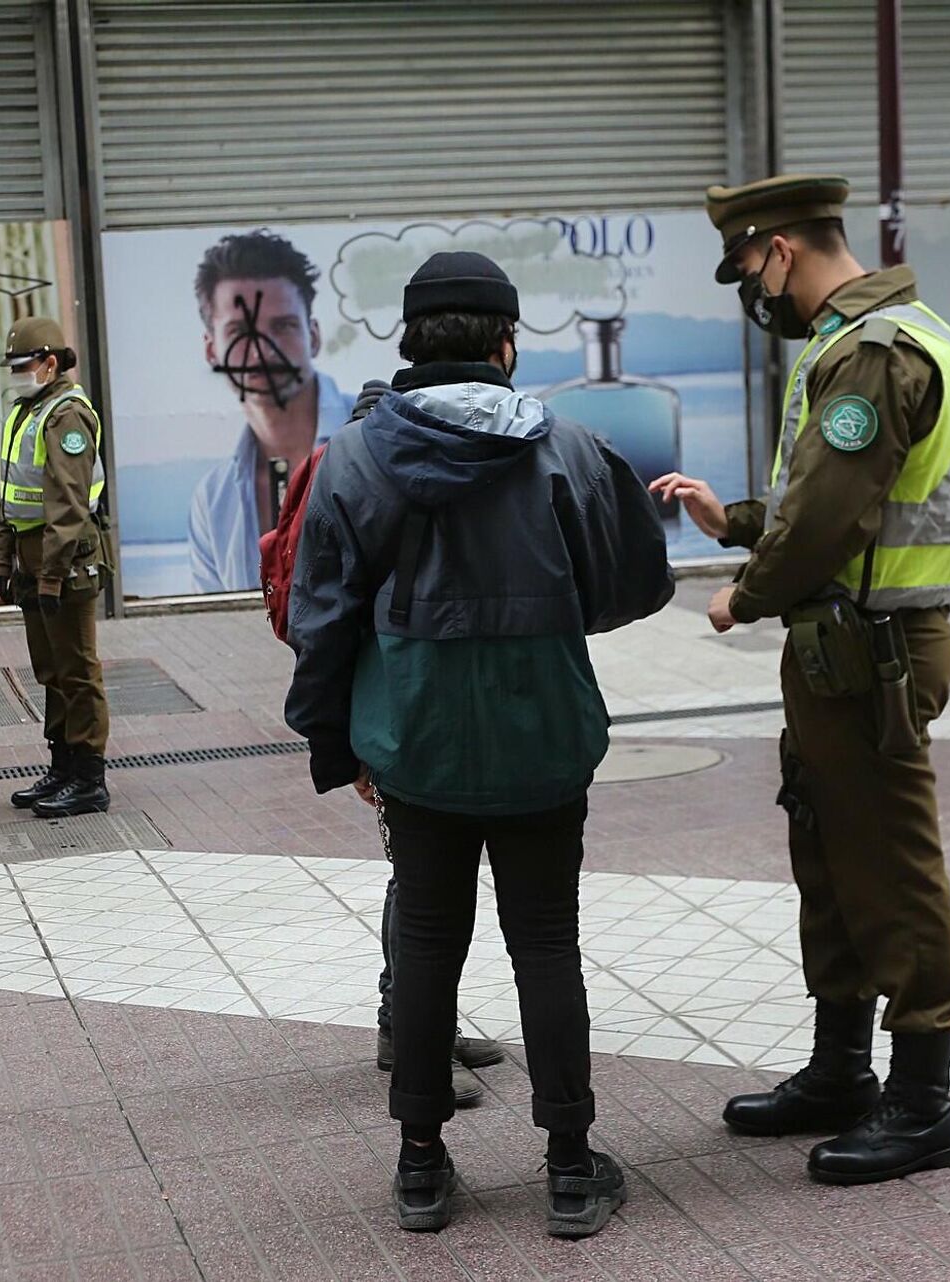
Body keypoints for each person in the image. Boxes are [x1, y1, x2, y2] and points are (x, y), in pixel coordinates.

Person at [286, 252, 674, 1237]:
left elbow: (319, 618)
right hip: (544, 736)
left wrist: (342, 742)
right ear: (506, 342)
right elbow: (635, 581)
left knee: (426, 942)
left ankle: (421, 1167)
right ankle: (573, 1167)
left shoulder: (359, 458)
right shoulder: (570, 448)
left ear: (409, 341)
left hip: (414, 743)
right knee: (547, 941)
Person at [651, 173, 950, 1186]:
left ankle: (921, 1100)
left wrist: (743, 592)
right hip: (842, 647)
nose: (753, 290)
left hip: (871, 651)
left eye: (748, 266)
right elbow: (834, 500)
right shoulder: (878, 338)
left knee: (890, 861)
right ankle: (842, 1069)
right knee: (832, 852)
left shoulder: (874, 353)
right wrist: (739, 521)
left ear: (782, 249)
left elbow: (836, 517)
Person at [0, 317, 111, 819]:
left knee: (77, 670)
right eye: (13, 367)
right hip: (31, 556)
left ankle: (88, 777)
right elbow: (12, 494)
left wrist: (52, 574)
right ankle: (62, 765)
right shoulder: (29, 411)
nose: (18, 374)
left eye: (25, 366)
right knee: (51, 670)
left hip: (65, 560)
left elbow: (68, 502)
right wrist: (4, 556)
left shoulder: (66, 415)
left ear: (51, 362)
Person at [188, 231, 354, 592]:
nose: (262, 352)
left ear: (313, 335)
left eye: (282, 327)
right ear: (212, 350)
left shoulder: (378, 434)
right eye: (238, 332)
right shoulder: (213, 500)